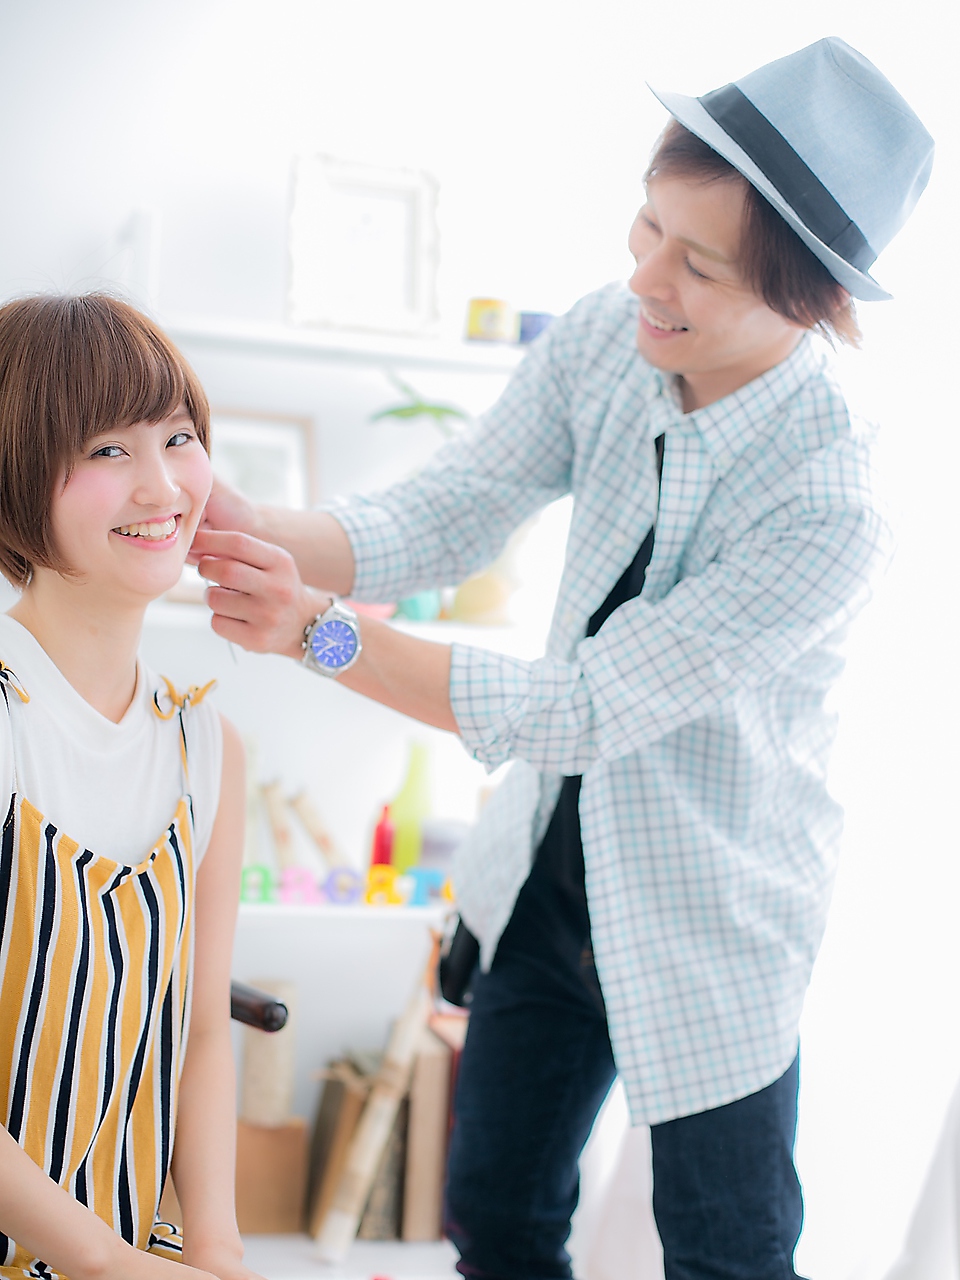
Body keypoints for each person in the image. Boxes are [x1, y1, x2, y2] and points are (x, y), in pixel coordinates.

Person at [191, 37, 933, 1280]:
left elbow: (584, 706)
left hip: (711, 916)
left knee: (729, 1255)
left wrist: (320, 631)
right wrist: (250, 525)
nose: (641, 273)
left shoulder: (830, 497)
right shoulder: (608, 337)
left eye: (693, 263)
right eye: (646, 226)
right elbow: (449, 511)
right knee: (497, 1217)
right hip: (546, 881)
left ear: (802, 298)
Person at [0, 295, 264, 1280]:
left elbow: (200, 1032)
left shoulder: (208, 743)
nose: (161, 484)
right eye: (106, 449)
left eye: (179, 437)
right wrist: (109, 1264)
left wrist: (220, 1252)